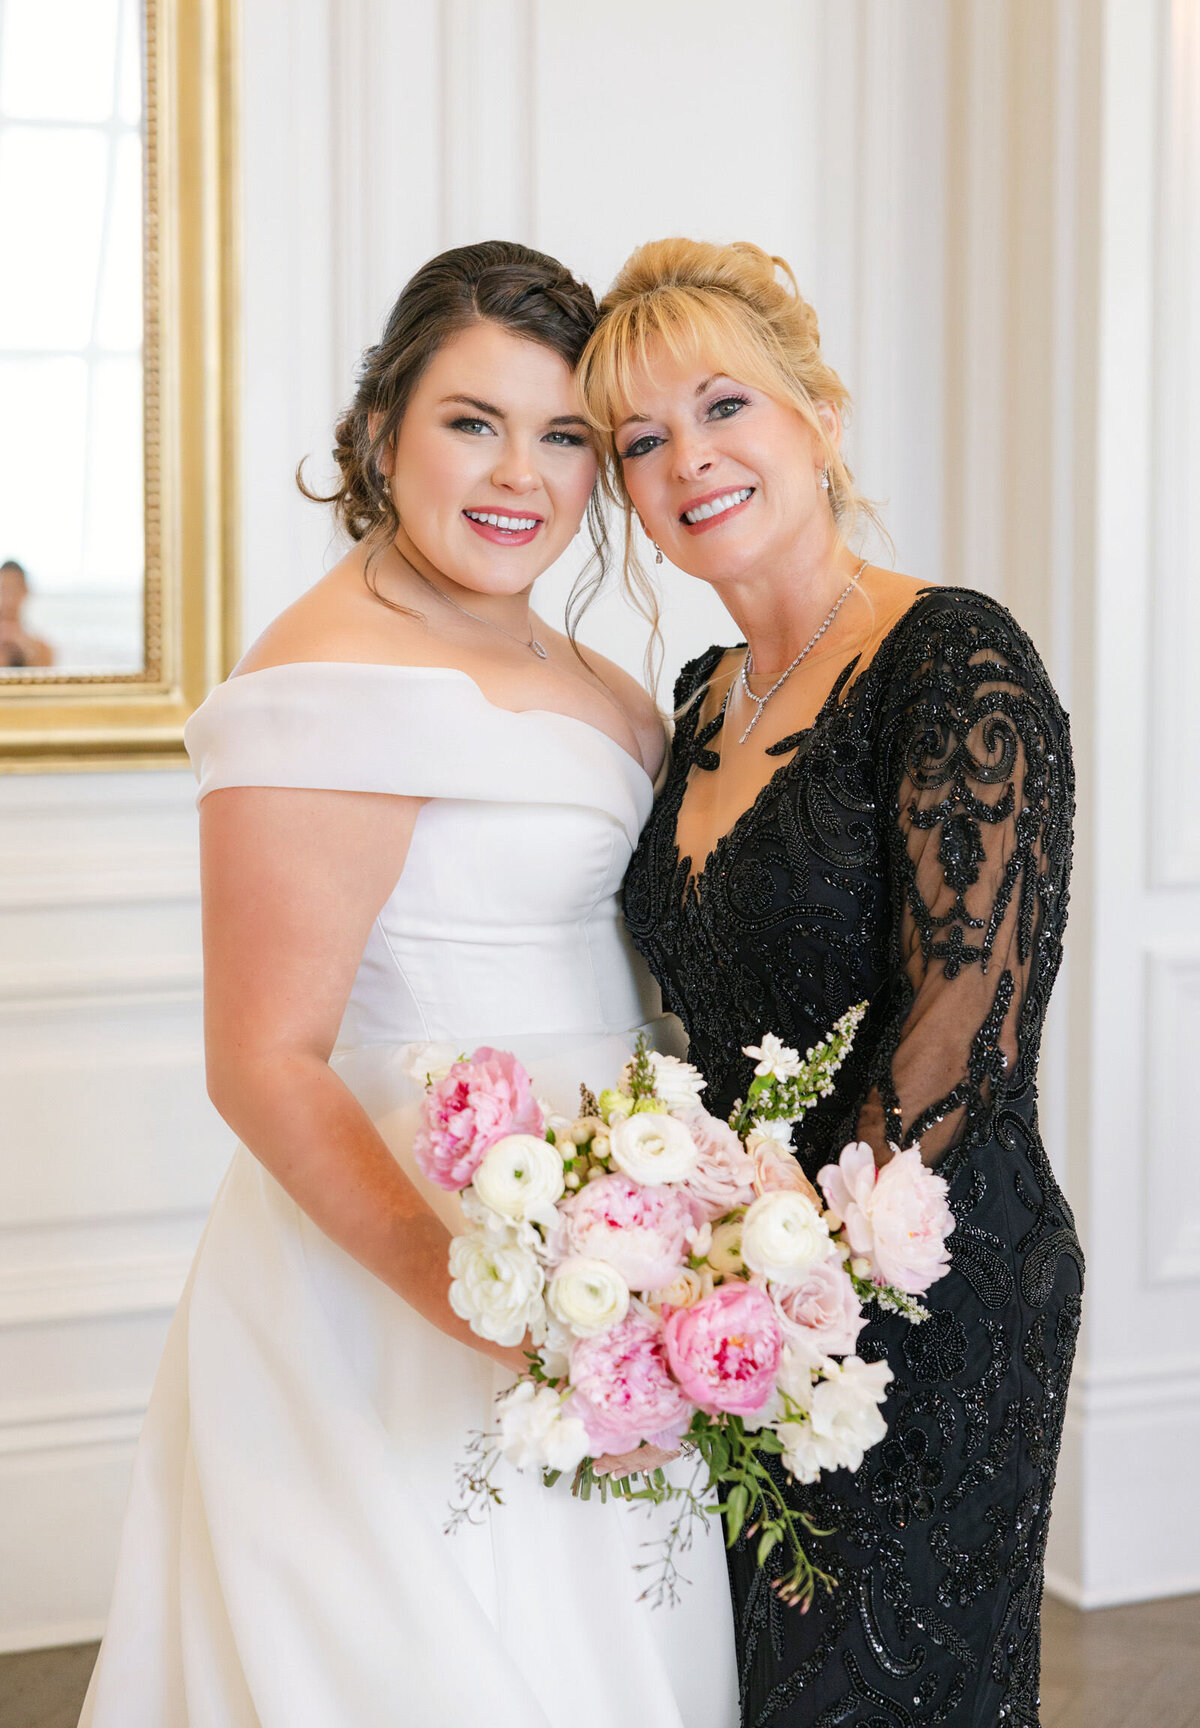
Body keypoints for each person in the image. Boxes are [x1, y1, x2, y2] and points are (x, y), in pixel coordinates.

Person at [80, 242, 737, 1728]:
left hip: (607, 1254)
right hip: (403, 1288)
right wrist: (496, 1306)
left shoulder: (581, 668)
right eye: (472, 421)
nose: (522, 473)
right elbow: (262, 1058)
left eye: (565, 434)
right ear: (383, 432)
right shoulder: (333, 673)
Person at [578, 237, 1084, 1728]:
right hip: (735, 1308)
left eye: (725, 405)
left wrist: (784, 1277)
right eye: (641, 440)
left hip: (926, 1284)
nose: (692, 459)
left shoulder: (951, 658)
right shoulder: (696, 704)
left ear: (819, 415)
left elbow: (963, 1024)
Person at [0, 559, 53, 667]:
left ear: (25, 591)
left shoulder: (41, 649)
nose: (9, 598)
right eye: (3, 590)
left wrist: (28, 652)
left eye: (15, 589)